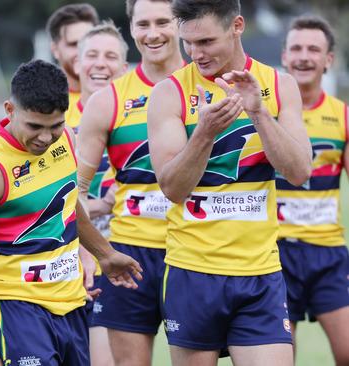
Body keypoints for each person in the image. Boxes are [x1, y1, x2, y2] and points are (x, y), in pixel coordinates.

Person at [147, 0, 313, 365]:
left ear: (237, 26)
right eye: (188, 43)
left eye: (205, 42)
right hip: (192, 272)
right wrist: (204, 133)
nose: (195, 54)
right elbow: (173, 189)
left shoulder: (278, 84)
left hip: (260, 274)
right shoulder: (169, 93)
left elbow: (299, 171)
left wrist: (258, 113)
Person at [0, 59, 143, 366]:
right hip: (17, 310)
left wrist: (104, 253)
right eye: (35, 126)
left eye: (55, 125)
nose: (45, 138)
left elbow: (66, 206)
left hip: (72, 305)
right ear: (10, 110)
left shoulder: (66, 140)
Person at [77, 1, 185, 365]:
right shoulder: (108, 100)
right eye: (143, 24)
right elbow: (71, 191)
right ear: (132, 28)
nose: (152, 33)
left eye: (162, 22)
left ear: (180, 23)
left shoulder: (208, 88)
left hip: (194, 254)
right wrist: (91, 252)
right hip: (129, 254)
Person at [278, 15, 349, 365]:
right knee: (279, 356)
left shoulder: (342, 116)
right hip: (273, 255)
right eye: (297, 48)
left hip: (327, 254)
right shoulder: (264, 112)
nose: (304, 56)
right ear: (284, 56)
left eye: (313, 49)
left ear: (329, 60)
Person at [66, 21, 129, 366]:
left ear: (124, 67)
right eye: (91, 55)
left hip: (118, 266)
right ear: (76, 64)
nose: (100, 64)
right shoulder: (52, 119)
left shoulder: (143, 118)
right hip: (63, 264)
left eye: (110, 56)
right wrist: (100, 206)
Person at [46, 3, 99, 111]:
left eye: (88, 42)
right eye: (74, 44)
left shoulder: (118, 95)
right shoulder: (41, 102)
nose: (83, 51)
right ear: (55, 49)